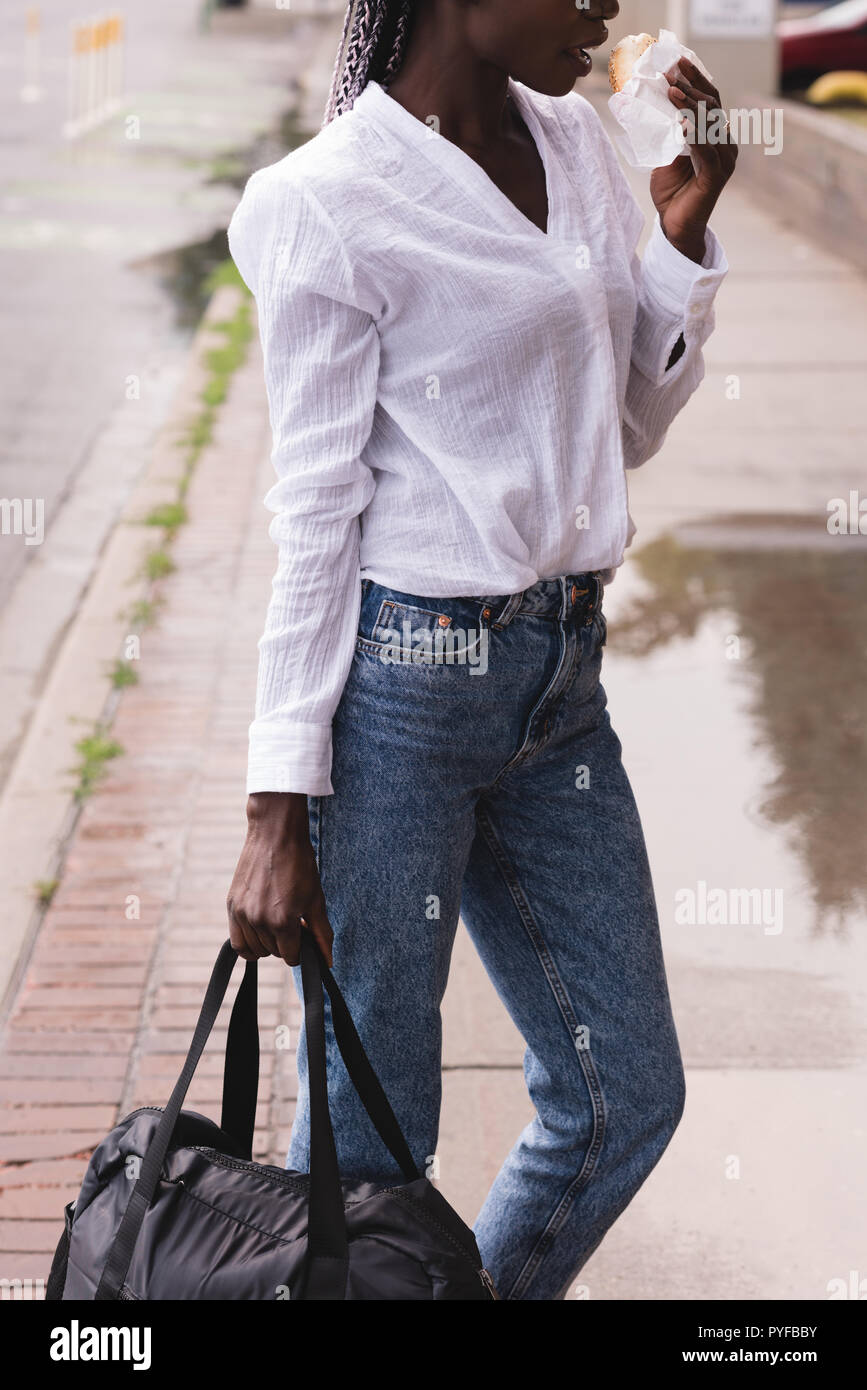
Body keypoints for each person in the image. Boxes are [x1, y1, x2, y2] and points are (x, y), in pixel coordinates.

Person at [225, 0, 736, 1300]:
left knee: (624, 1091)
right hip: (403, 700)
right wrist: (275, 807)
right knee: (378, 1148)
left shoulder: (572, 144)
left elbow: (613, 428)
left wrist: (675, 240)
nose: (608, 6)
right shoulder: (327, 202)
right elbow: (315, 514)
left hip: (560, 680)